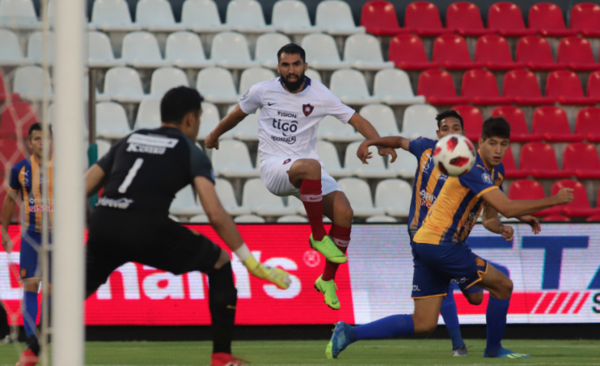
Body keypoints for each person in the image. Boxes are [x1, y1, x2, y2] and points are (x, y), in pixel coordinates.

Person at [327, 117, 574, 359]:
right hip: (442, 244)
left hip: (428, 243)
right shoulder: (470, 165)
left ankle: (349, 333)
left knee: (424, 322)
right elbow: (507, 207)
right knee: (503, 286)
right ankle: (493, 350)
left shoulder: (496, 172)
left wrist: (504, 226)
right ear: (480, 143)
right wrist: (554, 200)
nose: (498, 150)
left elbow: (490, 217)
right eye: (493, 143)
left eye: (504, 144)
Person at [83, 86, 290, 366]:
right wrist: (252, 263)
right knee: (219, 262)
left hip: (104, 223)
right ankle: (222, 357)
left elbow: (81, 187)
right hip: (147, 228)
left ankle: (30, 353)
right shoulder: (190, 151)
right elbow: (214, 213)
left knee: (71, 291)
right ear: (191, 118)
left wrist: (95, 224)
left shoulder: (130, 139)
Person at [205, 43, 396, 310]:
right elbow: (237, 115)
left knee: (344, 213)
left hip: (308, 173)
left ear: (305, 66)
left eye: (296, 64)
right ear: (278, 67)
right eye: (286, 65)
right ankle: (318, 236)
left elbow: (356, 119)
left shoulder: (319, 94)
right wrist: (214, 135)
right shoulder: (263, 90)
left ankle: (327, 280)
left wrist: (379, 141)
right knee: (311, 166)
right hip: (274, 168)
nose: (291, 70)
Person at [350, 110, 514, 356]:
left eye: (455, 129)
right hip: (424, 232)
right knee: (451, 278)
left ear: (463, 134)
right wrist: (372, 142)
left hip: (453, 238)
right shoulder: (427, 149)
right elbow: (399, 141)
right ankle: (459, 344)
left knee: (476, 298)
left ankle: (352, 332)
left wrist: (501, 226)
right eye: (445, 129)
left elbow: (491, 212)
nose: (450, 133)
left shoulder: (473, 165)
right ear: (438, 134)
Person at [1, 123, 53, 365]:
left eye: (45, 138)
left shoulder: (64, 168)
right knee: (31, 286)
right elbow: (10, 200)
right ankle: (33, 340)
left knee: (53, 290)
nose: (41, 142)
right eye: (36, 138)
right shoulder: (20, 169)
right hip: (32, 235)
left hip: (58, 237)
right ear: (30, 143)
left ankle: (46, 336)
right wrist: (4, 230)